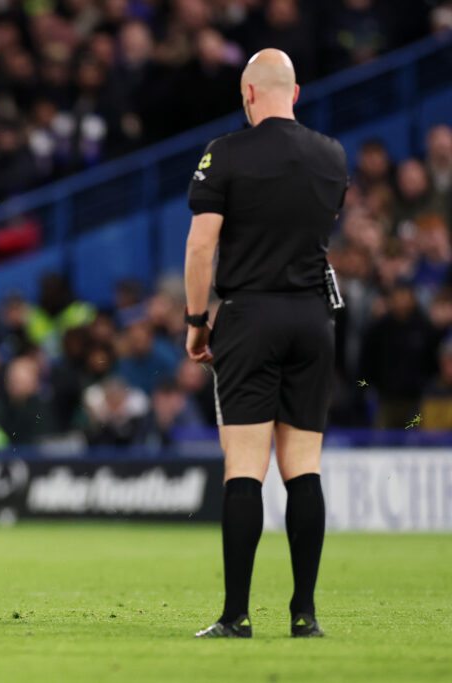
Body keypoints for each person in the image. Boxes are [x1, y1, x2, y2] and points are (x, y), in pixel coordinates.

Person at [184, 49, 347, 638]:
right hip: (313, 319)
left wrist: (195, 318)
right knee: (304, 469)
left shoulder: (224, 154)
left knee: (245, 470)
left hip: (249, 317)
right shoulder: (332, 155)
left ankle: (236, 616)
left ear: (249, 93)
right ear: (295, 93)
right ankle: (305, 617)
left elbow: (203, 245)